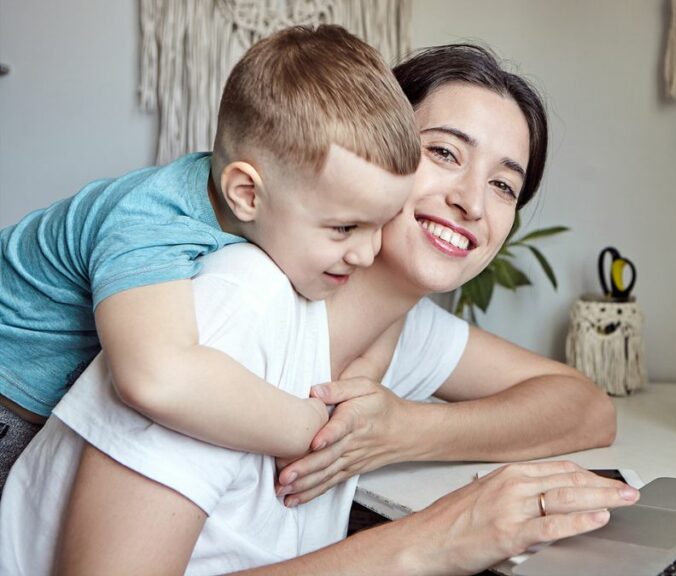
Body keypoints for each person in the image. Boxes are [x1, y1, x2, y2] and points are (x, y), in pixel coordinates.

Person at [0, 44, 631, 574]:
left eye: (504, 185)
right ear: (370, 147)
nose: (473, 200)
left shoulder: (397, 326)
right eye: (443, 153)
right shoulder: (232, 304)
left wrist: (402, 430)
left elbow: (584, 408)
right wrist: (432, 537)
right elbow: (158, 378)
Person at [0, 24, 420, 491]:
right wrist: (307, 427)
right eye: (345, 228)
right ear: (246, 194)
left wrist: (368, 371)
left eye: (382, 223)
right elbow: (155, 378)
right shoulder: (153, 220)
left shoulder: (267, 214)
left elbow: (388, 308)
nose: (368, 252)